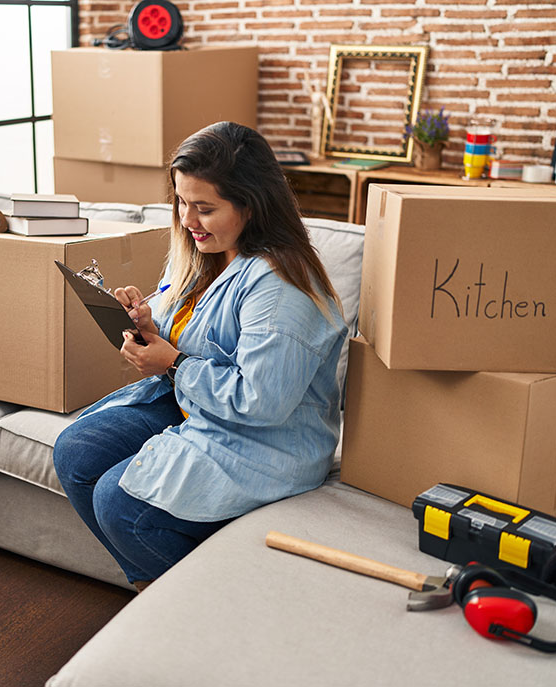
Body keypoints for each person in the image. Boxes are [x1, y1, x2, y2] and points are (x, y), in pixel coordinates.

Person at [53, 121, 347, 592]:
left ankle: (199, 606)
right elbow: (197, 333)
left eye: (204, 208)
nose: (188, 219)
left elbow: (261, 402)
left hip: (266, 438)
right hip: (195, 404)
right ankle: (155, 592)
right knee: (76, 451)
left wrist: (172, 364)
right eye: (182, 202)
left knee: (118, 502)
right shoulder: (204, 250)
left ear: (252, 205)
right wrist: (150, 324)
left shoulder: (281, 290)